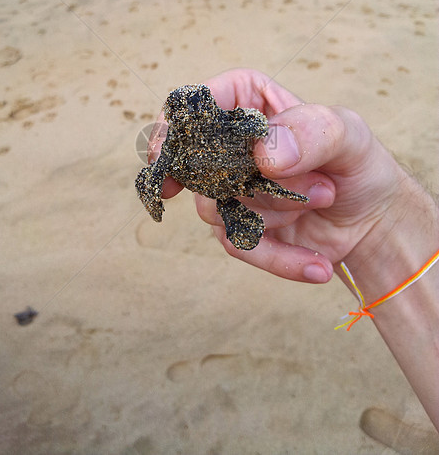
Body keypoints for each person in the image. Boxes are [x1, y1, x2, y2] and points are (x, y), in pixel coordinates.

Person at [148, 68, 439, 431]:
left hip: (248, 179)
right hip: (233, 189)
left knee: (248, 205)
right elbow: (155, 171)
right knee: (234, 209)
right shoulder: (177, 146)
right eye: (183, 109)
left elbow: (250, 122)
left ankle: (258, 201)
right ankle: (250, 206)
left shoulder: (216, 128)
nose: (189, 111)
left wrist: (271, 133)